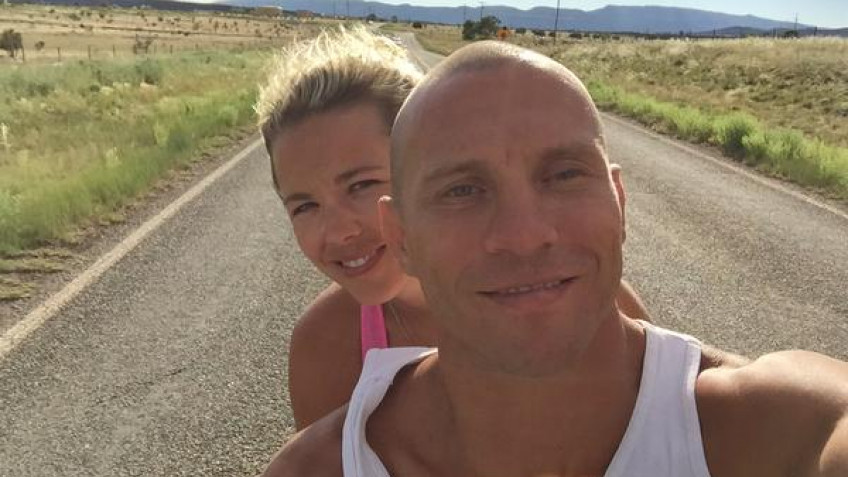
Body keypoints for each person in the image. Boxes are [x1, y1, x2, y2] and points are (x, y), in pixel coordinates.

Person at [263, 41, 848, 477]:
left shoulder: (768, 424)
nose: (524, 237)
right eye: (461, 190)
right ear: (403, 232)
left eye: (565, 174)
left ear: (619, 201)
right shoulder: (323, 420)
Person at [256, 28, 651, 431]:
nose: (339, 231)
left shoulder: (591, 299)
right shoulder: (326, 344)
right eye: (305, 206)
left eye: (361, 186)